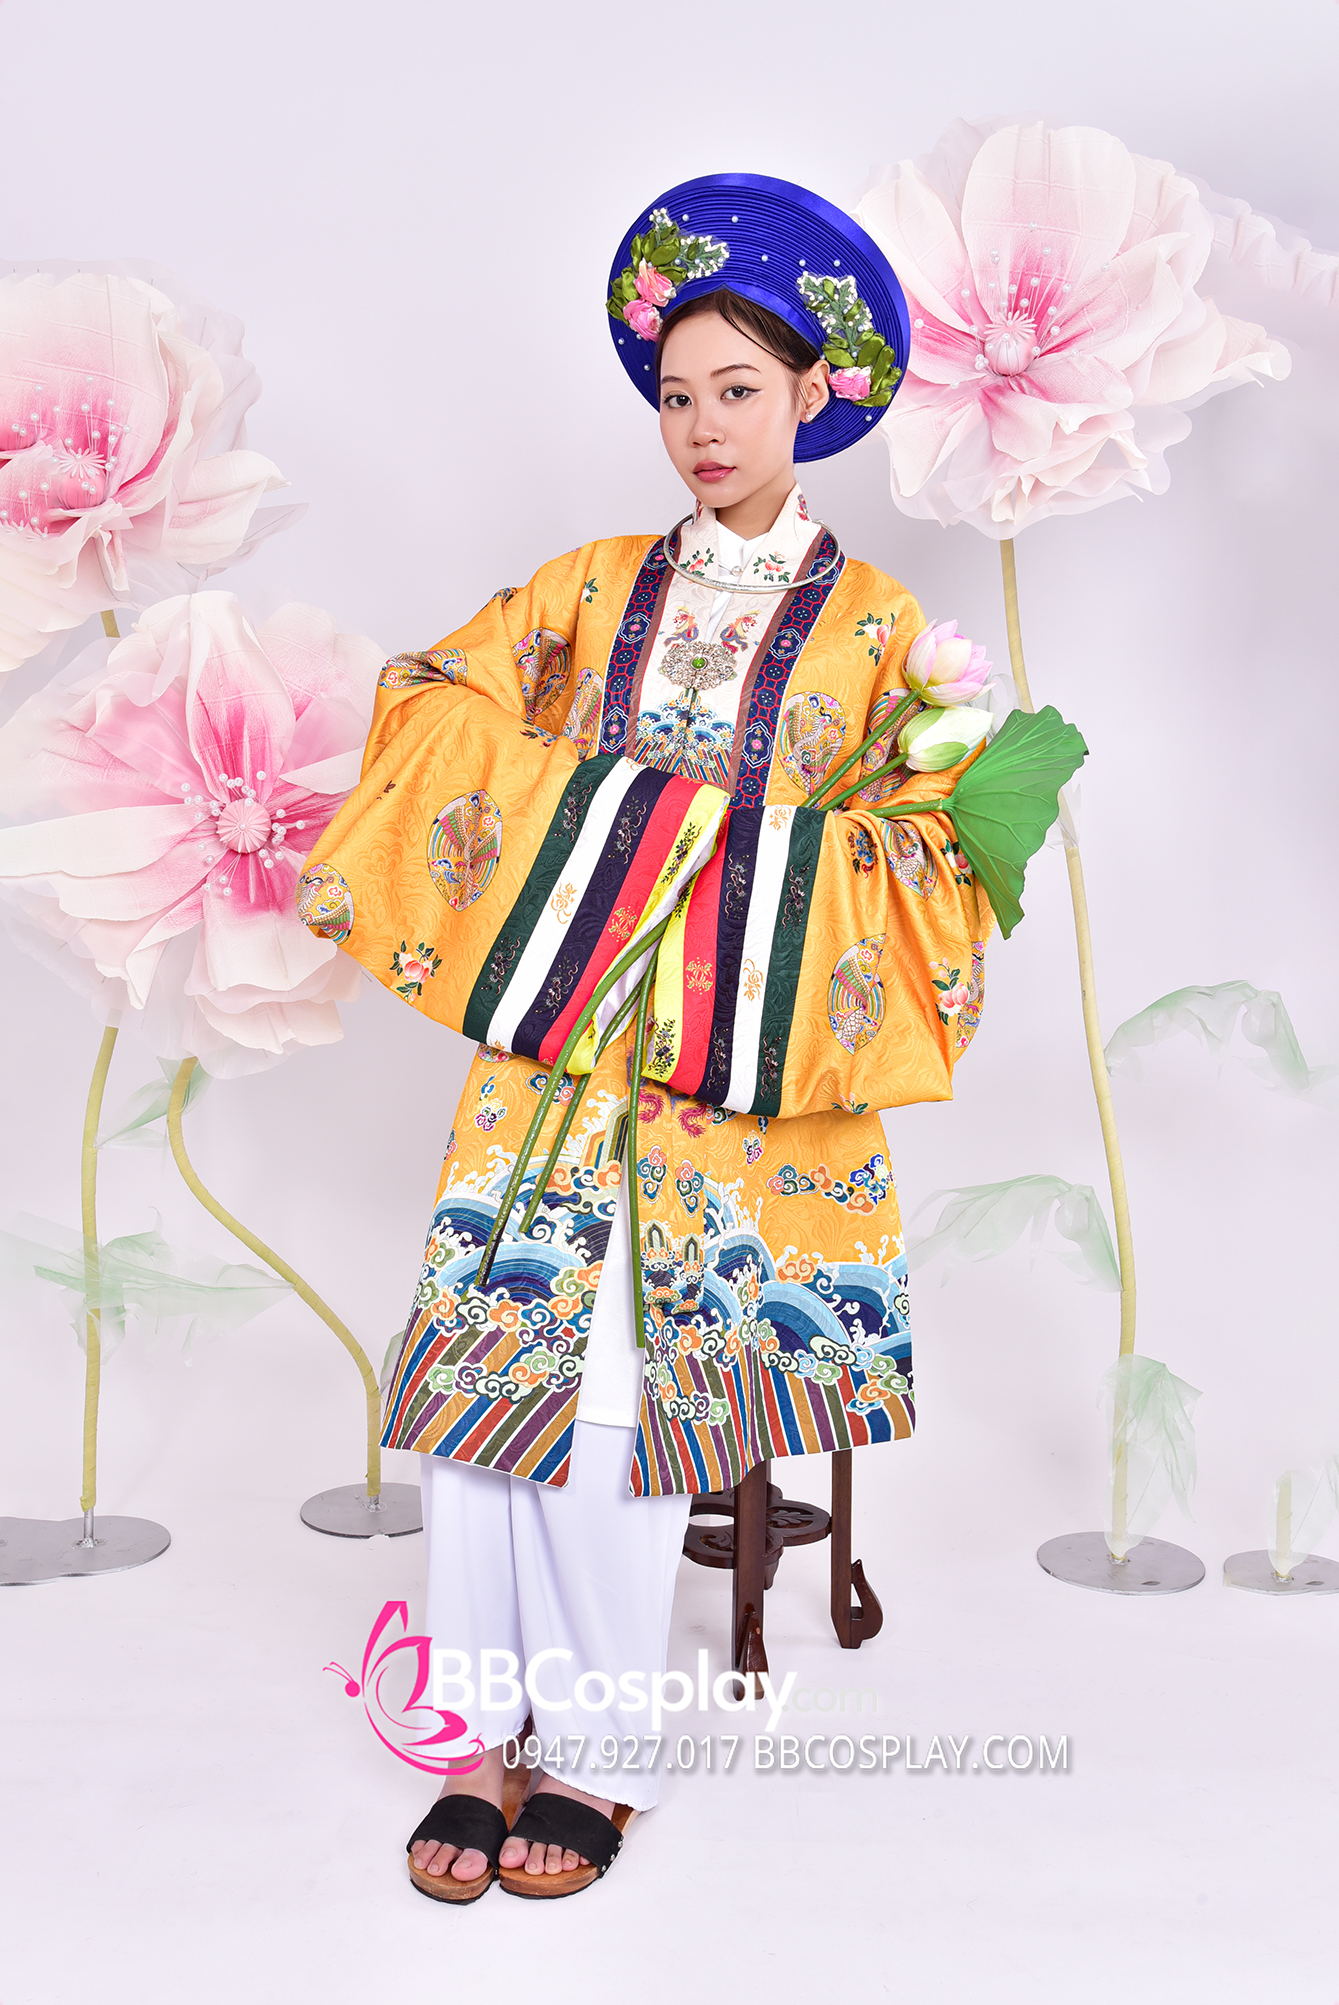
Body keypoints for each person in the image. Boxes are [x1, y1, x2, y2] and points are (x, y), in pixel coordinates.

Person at [299, 173, 994, 1903]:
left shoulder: (884, 633)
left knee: (614, 1408)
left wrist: (704, 865)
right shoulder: (588, 589)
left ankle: (602, 1756)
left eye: (739, 389)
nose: (702, 426)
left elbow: (932, 863)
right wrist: (604, 827)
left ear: (817, 393)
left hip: (720, 1091)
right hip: (548, 1065)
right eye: (677, 393)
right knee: (483, 1392)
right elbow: (427, 703)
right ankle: (475, 1732)